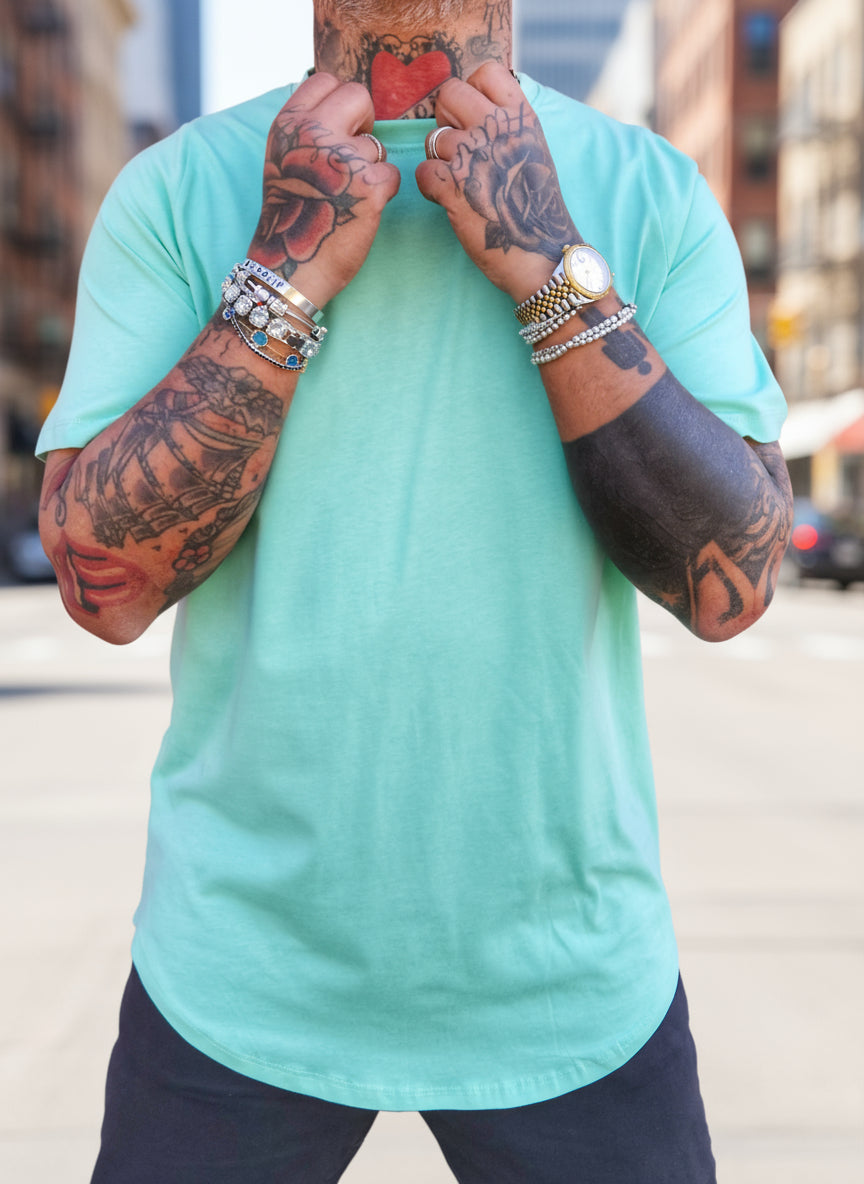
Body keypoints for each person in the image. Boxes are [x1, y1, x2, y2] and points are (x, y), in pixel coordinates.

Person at [37, 2, 793, 1181]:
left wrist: (549, 266)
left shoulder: (651, 191)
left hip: (570, 977)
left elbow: (732, 584)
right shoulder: (176, 190)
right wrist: (285, 269)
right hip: (241, 972)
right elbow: (106, 587)